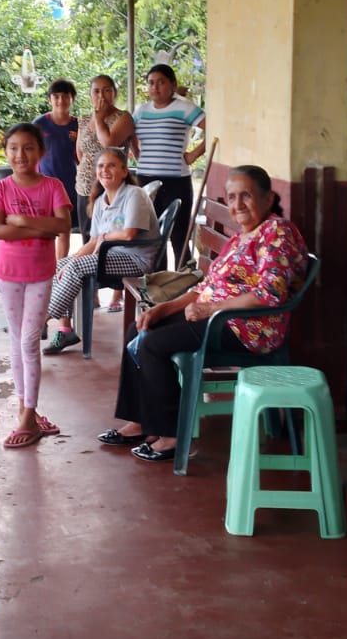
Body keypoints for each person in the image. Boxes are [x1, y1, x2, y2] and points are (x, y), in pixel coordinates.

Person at [100, 165, 307, 463]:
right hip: (220, 319)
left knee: (153, 345)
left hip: (249, 328)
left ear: (268, 198)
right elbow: (204, 289)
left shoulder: (277, 232)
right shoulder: (241, 238)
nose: (237, 204)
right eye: (232, 197)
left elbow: (270, 293)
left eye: (246, 196)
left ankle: (171, 436)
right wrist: (162, 309)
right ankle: (141, 421)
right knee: (141, 328)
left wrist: (210, 309)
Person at [0, 123, 71, 448]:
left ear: (41, 152)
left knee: (30, 341)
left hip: (40, 274)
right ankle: (26, 411)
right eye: (14, 148)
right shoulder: (0, 189)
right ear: (6, 152)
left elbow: (64, 225)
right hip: (7, 273)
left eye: (28, 148)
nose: (21, 155)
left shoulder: (53, 186)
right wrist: (41, 229)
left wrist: (21, 220)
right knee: (17, 341)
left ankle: (29, 415)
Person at [42, 147, 158, 354]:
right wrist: (72, 259)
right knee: (60, 265)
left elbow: (129, 234)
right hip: (111, 256)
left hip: (136, 259)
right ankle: (65, 329)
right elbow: (93, 240)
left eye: (111, 165)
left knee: (76, 267)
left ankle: (42, 319)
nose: (105, 170)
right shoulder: (100, 201)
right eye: (101, 166)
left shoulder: (134, 194)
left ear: (124, 171)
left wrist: (104, 238)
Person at [133, 62, 206, 266]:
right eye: (151, 83)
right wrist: (138, 154)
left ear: (173, 84)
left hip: (176, 181)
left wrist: (193, 155)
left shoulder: (185, 108)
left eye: (161, 82)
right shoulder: (141, 111)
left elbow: (213, 127)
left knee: (178, 234)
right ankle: (158, 279)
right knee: (151, 235)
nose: (155, 87)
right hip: (145, 180)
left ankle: (184, 280)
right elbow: (130, 135)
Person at [74, 74, 134, 246]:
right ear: (90, 95)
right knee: (87, 238)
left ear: (115, 93)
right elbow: (80, 152)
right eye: (96, 91)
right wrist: (88, 173)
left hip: (109, 188)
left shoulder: (123, 118)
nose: (101, 96)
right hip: (85, 187)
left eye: (107, 90)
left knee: (106, 238)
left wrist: (99, 119)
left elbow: (109, 144)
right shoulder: (84, 120)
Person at [33, 79, 80, 260]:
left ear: (72, 99)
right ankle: (42, 265)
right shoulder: (39, 124)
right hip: (43, 186)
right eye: (56, 96)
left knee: (64, 230)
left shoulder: (78, 125)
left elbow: (81, 157)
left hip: (69, 186)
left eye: (65, 96)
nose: (61, 101)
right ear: (49, 99)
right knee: (43, 230)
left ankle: (59, 267)